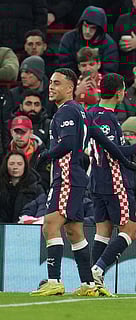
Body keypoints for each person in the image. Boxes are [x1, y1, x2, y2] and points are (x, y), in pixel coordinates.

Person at [87, 73, 136, 296]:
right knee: (130, 231)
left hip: (96, 181)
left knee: (103, 230)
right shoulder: (107, 118)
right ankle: (97, 270)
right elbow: (117, 152)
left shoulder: (91, 113)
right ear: (121, 92)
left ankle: (93, 283)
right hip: (114, 182)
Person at [30, 68, 100, 296]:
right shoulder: (79, 111)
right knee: (74, 230)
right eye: (50, 82)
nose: (51, 86)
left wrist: (45, 155)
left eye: (57, 83)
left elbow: (68, 143)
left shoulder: (66, 111)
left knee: (50, 224)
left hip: (67, 176)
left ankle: (54, 280)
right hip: (76, 176)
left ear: (70, 88)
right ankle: (89, 284)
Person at [57, 6, 119, 75]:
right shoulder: (68, 38)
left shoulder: (109, 44)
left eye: (92, 28)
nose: (87, 31)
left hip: (100, 83)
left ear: (99, 29)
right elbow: (65, 66)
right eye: (85, 26)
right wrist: (77, 83)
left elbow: (109, 72)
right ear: (81, 25)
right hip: (72, 82)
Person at [0, 151, 44, 223]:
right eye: (11, 164)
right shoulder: (2, 186)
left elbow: (42, 209)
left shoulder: (36, 188)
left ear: (25, 166)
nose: (15, 167)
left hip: (26, 229)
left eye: (19, 164)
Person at [8, 115, 49, 191]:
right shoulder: (5, 153)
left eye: (23, 132)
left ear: (31, 133)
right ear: (11, 132)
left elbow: (44, 183)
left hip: (33, 195)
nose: (19, 136)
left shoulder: (43, 155)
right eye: (16, 132)